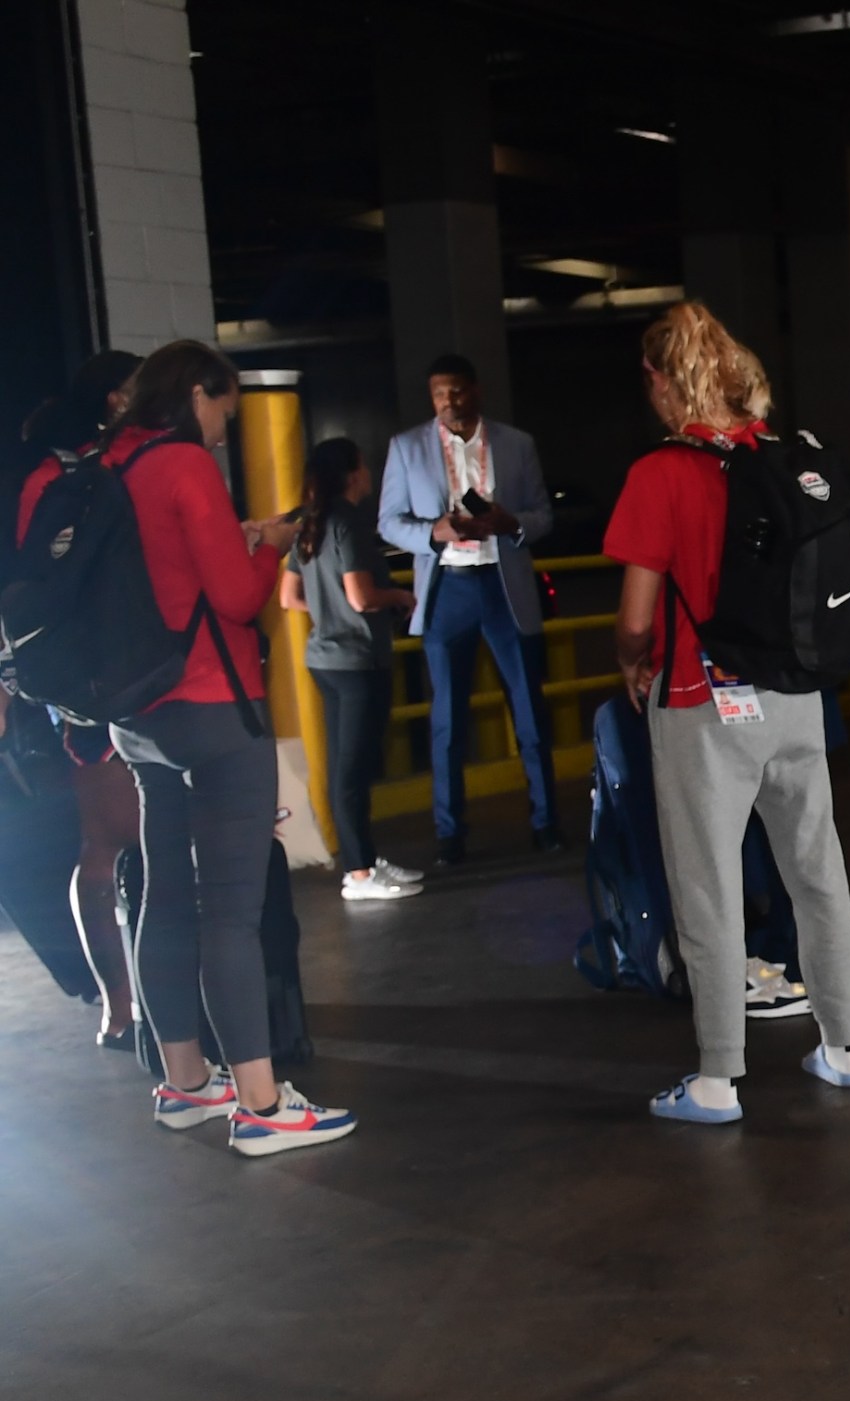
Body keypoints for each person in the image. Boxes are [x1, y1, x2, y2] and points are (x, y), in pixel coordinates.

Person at [14, 340, 354, 1154]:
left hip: (137, 714)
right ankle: (265, 1105)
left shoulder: (111, 462)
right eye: (222, 413)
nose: (220, 431)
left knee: (161, 892)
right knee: (230, 911)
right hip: (212, 705)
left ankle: (185, 1083)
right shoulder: (181, 465)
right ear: (198, 393)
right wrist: (268, 543)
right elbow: (236, 597)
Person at [604, 301, 850, 1123]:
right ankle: (842, 1046)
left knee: (709, 891)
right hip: (797, 695)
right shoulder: (778, 460)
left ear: (660, 377)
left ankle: (718, 1077)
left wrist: (630, 659)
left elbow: (637, 616)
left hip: (702, 703)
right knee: (818, 876)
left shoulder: (662, 473)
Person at [15, 350, 147, 1047]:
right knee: (107, 844)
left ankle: (144, 1002)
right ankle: (118, 1005)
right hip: (86, 685)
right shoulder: (57, 474)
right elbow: (32, 587)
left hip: (142, 672)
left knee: (134, 844)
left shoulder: (129, 462)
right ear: (112, 397)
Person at [379, 352, 558, 866]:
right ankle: (449, 835)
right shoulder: (407, 447)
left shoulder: (516, 443)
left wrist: (510, 523)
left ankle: (547, 823)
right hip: (447, 589)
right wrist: (432, 533)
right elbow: (389, 522)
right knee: (447, 721)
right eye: (438, 394)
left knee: (529, 713)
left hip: (504, 588)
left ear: (475, 391)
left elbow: (544, 515)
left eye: (456, 392)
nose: (447, 402)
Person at [279, 437, 420, 901]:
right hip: (358, 659)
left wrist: (328, 613)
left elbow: (289, 597)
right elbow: (361, 597)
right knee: (353, 771)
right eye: (364, 465)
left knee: (346, 766)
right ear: (354, 473)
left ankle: (362, 860)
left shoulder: (310, 523)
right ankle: (358, 872)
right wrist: (398, 597)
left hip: (325, 659)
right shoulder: (347, 523)